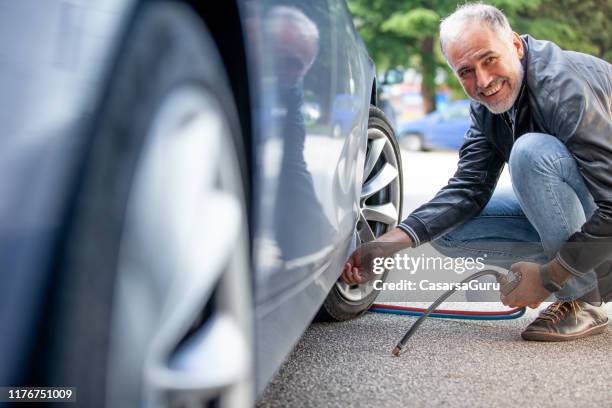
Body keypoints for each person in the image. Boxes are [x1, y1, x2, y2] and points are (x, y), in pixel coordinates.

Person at [343, 3, 612, 341]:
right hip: (594, 224)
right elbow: (468, 189)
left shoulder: (562, 87)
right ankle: (578, 272)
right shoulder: (487, 107)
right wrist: (386, 245)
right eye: (465, 71)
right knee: (444, 230)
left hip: (606, 212)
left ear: (515, 45)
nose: (482, 81)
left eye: (489, 59)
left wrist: (548, 277)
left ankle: (580, 299)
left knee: (530, 154)